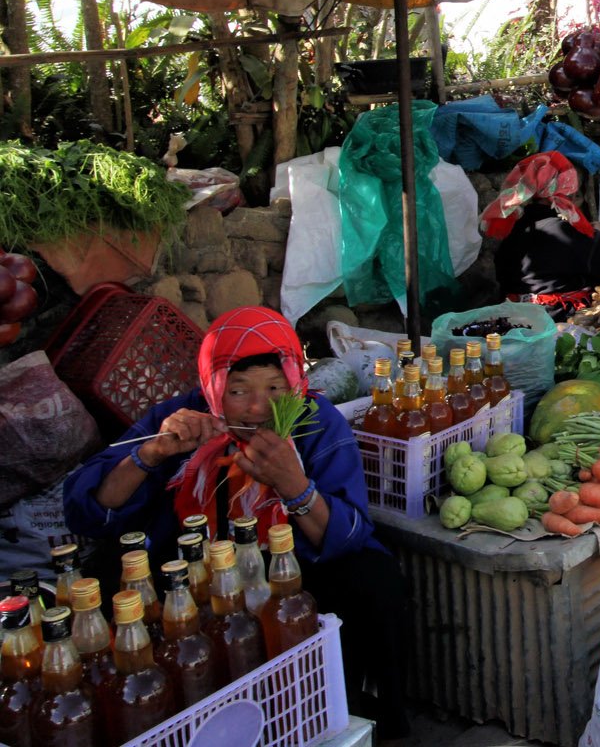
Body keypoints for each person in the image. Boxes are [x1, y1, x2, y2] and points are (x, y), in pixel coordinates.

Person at [64, 307, 410, 739]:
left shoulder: (317, 423)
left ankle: (369, 722)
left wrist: (295, 486)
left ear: (294, 383)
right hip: (192, 571)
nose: (256, 407)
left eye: (273, 388)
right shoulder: (181, 420)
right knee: (109, 582)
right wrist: (151, 454)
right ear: (210, 386)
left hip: (293, 572)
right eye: (237, 389)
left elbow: (349, 533)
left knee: (373, 578)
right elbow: (86, 510)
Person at [484, 151, 600, 318]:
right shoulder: (568, 234)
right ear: (569, 192)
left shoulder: (516, 228)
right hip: (558, 321)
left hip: (513, 317)